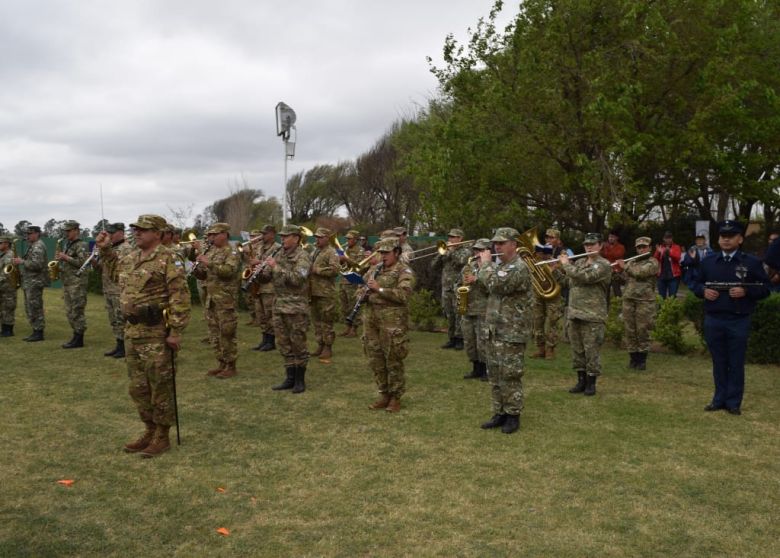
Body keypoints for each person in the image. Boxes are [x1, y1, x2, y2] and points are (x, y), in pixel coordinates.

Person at [96, 214, 191, 458]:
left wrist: (176, 331)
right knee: (138, 387)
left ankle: (162, 435)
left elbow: (179, 296)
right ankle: (149, 430)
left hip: (156, 333)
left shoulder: (169, 258)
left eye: (143, 230)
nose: (137, 233)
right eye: (136, 229)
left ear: (158, 234)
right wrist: (106, 250)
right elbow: (116, 272)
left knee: (160, 385)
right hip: (133, 332)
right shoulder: (130, 257)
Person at [689, 220, 769, 415]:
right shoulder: (708, 261)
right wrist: (703, 291)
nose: (726, 239)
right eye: (722, 236)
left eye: (730, 236)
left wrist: (746, 292)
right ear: (718, 239)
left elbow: (765, 288)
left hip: (738, 319)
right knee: (718, 361)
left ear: (740, 239)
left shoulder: (750, 262)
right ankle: (718, 399)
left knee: (735, 361)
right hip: (714, 318)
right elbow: (694, 283)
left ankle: (733, 402)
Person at [477, 227, 533, 434]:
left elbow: (497, 284)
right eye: (495, 243)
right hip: (494, 329)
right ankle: (499, 412)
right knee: (494, 373)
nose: (496, 247)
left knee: (510, 374)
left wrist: (484, 265)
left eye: (501, 243)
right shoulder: (499, 266)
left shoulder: (519, 267)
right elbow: (486, 288)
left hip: (511, 330)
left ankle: (513, 414)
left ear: (513, 244)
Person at [364, 237, 415, 413]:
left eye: (386, 253)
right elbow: (361, 287)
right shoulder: (375, 269)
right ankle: (384, 394)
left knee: (393, 359)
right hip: (372, 320)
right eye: (381, 253)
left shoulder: (404, 270)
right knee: (376, 358)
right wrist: (361, 294)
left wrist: (379, 290)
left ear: (396, 252)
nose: (383, 256)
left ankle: (395, 397)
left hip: (392, 322)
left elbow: (403, 295)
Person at [559, 233, 612, 396]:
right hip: (575, 312)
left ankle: (591, 383)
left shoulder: (603, 264)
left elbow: (586, 277)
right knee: (577, 350)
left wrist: (567, 266)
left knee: (591, 350)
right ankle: (580, 380)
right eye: (586, 245)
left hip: (593, 314)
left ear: (600, 245)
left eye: (592, 244)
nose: (589, 247)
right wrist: (555, 271)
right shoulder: (580, 262)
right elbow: (569, 282)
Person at [261, 225, 312, 393]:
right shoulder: (279, 254)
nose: (282, 239)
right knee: (283, 343)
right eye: (281, 236)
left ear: (296, 238)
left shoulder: (303, 256)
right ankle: (289, 378)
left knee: (298, 344)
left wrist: (275, 267)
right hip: (279, 306)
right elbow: (268, 277)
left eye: (286, 236)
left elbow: (298, 279)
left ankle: (299, 380)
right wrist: (262, 271)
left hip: (296, 308)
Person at [193, 223, 240, 379]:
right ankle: (221, 363)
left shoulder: (231, 252)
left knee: (227, 333)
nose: (211, 238)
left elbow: (228, 271)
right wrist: (198, 270)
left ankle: (231, 365)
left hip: (225, 300)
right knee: (214, 334)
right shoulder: (212, 251)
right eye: (210, 235)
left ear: (224, 234)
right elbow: (206, 275)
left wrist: (209, 263)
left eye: (214, 235)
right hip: (212, 299)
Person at [614, 237, 659, 370]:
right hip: (629, 299)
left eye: (644, 247)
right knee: (630, 329)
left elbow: (641, 273)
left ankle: (642, 360)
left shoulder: (653, 262)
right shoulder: (632, 262)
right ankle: (633, 359)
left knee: (642, 329)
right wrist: (619, 272)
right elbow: (626, 279)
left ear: (649, 248)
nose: (641, 249)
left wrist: (625, 267)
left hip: (644, 300)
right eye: (639, 247)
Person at [95, 223, 133, 358]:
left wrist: (105, 249)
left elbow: (120, 264)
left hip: (119, 290)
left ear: (121, 232)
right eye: (108, 232)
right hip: (109, 289)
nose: (109, 235)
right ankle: (119, 344)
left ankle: (125, 347)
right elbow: (104, 267)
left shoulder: (126, 248)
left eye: (112, 232)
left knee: (121, 319)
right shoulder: (111, 247)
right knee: (114, 319)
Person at [433, 228, 471, 350]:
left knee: (459, 313)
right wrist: (441, 254)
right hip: (446, 287)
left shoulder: (465, 251)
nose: (450, 239)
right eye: (450, 237)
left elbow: (461, 262)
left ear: (460, 239)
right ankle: (451, 338)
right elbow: (433, 266)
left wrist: (451, 251)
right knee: (449, 314)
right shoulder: (445, 250)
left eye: (453, 237)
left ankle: (460, 339)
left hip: (459, 286)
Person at [531, 228, 567, 360]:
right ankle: (540, 348)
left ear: (558, 239)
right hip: (538, 290)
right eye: (547, 237)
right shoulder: (538, 251)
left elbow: (566, 271)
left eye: (552, 238)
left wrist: (554, 263)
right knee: (537, 320)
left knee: (552, 321)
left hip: (554, 292)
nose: (549, 240)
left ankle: (550, 349)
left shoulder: (562, 253)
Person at [460, 239, 490, 380]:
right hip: (468, 308)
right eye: (476, 250)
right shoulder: (469, 266)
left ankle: (486, 370)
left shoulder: (492, 267)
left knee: (482, 342)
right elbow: (458, 283)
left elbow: (492, 288)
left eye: (480, 250)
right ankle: (475, 369)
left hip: (483, 310)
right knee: (470, 341)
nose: (477, 253)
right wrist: (459, 289)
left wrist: (476, 279)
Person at [309, 227, 340, 362]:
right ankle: (320, 344)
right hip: (313, 291)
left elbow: (335, 270)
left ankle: (328, 346)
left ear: (327, 238)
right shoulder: (315, 251)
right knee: (316, 321)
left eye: (320, 237)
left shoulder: (331, 252)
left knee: (326, 321)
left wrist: (317, 270)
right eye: (316, 237)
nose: (317, 239)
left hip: (325, 292)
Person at [57, 220, 89, 348]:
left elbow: (83, 262)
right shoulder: (68, 244)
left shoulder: (81, 244)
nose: (66, 233)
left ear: (76, 230)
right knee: (69, 311)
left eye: (69, 231)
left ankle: (79, 338)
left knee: (77, 311)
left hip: (77, 283)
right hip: (68, 282)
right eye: (65, 231)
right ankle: (75, 335)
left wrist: (65, 257)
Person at [13, 225, 48, 341]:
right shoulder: (32, 246)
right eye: (27, 234)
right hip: (30, 281)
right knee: (30, 307)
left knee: (35, 307)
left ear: (37, 234)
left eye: (30, 234)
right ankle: (35, 331)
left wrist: (22, 261)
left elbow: (37, 265)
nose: (28, 236)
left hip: (35, 281)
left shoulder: (38, 246)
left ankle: (39, 332)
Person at [249, 225, 280, 351]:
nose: (262, 236)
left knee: (269, 314)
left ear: (272, 234)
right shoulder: (260, 247)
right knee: (261, 314)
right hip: (259, 285)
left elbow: (276, 265)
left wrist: (258, 262)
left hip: (270, 286)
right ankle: (264, 339)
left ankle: (271, 341)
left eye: (265, 234)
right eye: (262, 233)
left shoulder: (277, 248)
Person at [338, 230, 363, 338]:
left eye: (349, 239)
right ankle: (347, 327)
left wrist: (346, 259)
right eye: (347, 238)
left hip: (353, 280)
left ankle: (354, 329)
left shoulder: (360, 250)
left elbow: (359, 266)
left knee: (353, 306)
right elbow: (340, 265)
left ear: (355, 239)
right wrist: (339, 259)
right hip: (344, 280)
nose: (347, 240)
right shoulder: (345, 249)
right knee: (345, 307)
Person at [653, 231, 682, 298]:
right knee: (661, 297)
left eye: (669, 238)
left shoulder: (676, 247)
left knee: (672, 297)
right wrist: (658, 252)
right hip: (661, 276)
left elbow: (678, 258)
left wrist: (669, 253)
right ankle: (662, 308)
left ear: (672, 238)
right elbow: (654, 260)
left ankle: (672, 308)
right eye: (666, 238)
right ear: (663, 239)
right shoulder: (660, 247)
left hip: (673, 276)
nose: (668, 239)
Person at [0, 236, 18, 337]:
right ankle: (4, 329)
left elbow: (6, 272)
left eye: (1, 243)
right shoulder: (3, 254)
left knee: (8, 307)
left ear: (7, 244)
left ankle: (8, 331)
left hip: (8, 286)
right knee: (3, 308)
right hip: (3, 286)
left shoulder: (10, 255)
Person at [600, 230, 626, 298]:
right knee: (606, 290)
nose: (610, 238)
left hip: (616, 271)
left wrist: (606, 250)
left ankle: (619, 304)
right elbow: (600, 254)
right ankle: (606, 305)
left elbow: (616, 255)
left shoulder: (621, 247)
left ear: (617, 238)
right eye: (609, 237)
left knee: (616, 289)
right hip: (606, 270)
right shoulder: (604, 245)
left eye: (612, 237)